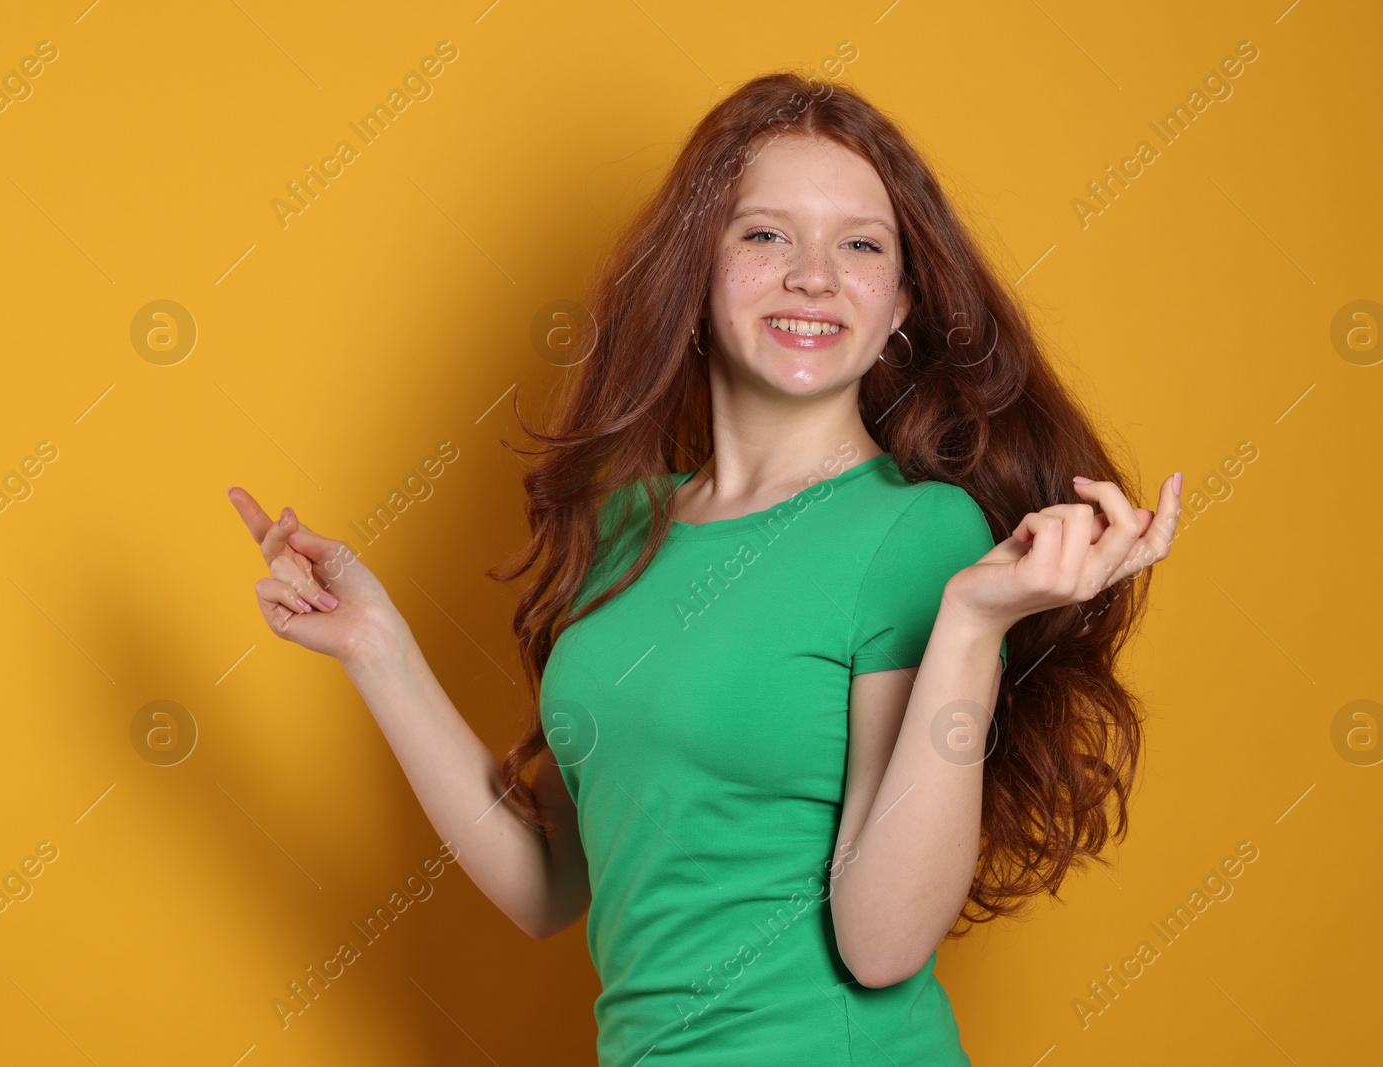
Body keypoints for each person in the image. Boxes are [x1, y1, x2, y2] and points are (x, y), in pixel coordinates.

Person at [228, 69, 1179, 1066]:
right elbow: (550, 882)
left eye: (860, 245)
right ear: (695, 272)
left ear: (901, 301)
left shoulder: (916, 535)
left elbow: (883, 940)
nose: (813, 275)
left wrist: (974, 627)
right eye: (765, 235)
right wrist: (377, 648)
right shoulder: (621, 529)